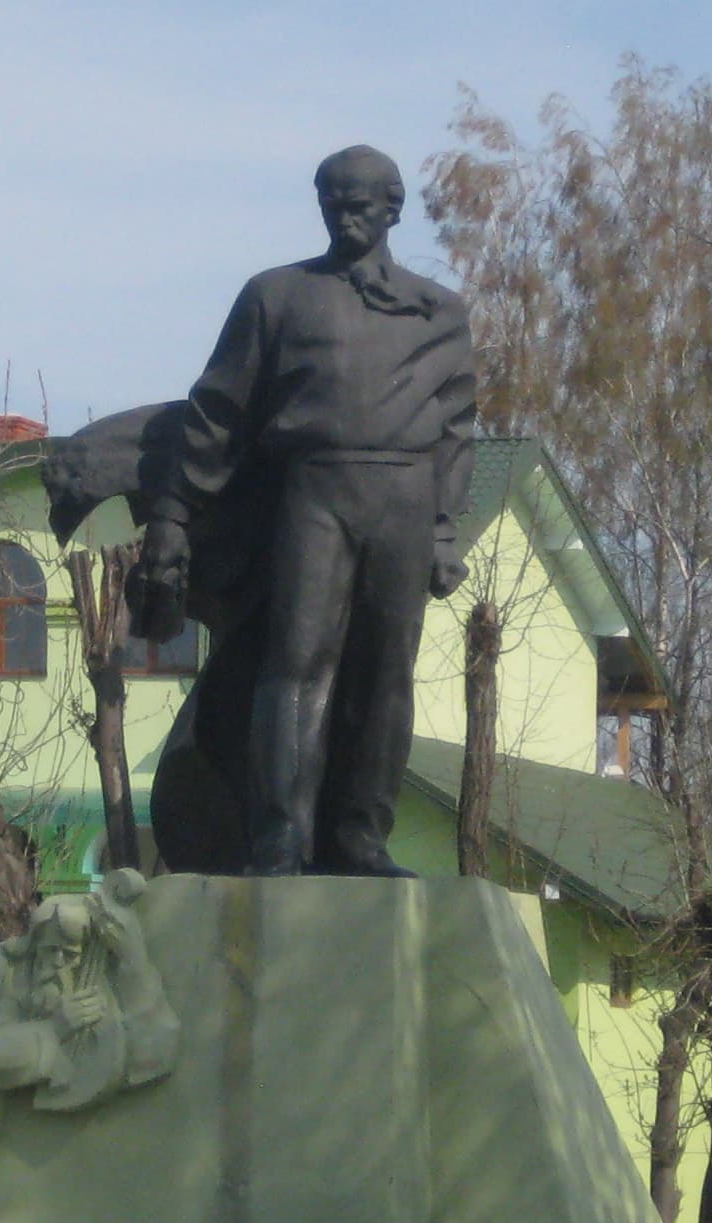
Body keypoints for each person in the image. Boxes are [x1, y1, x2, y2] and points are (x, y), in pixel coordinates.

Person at [130, 147, 475, 876]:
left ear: (393, 209)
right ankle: (279, 842)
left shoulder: (440, 312)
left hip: (405, 500)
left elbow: (455, 428)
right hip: (313, 493)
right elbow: (217, 410)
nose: (346, 218)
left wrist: (444, 528)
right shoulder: (276, 296)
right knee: (295, 667)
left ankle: (359, 836)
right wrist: (171, 513)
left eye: (360, 206)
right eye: (333, 204)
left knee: (385, 676)